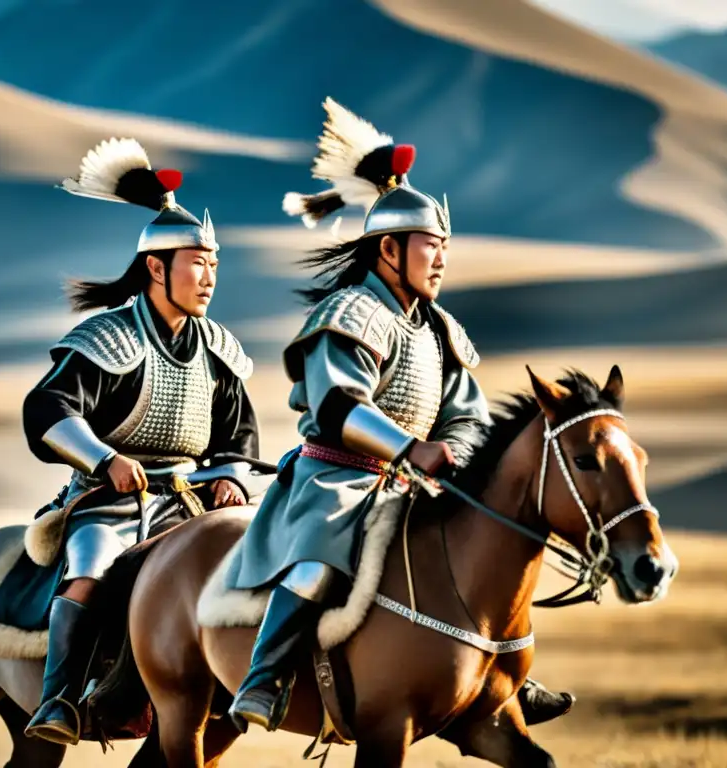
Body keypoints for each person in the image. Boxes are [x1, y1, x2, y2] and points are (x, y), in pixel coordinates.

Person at [224, 98, 574, 733]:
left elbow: (467, 417)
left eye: (444, 247)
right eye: (428, 246)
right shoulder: (349, 315)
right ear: (389, 249)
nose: (440, 259)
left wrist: (458, 459)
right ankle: (265, 676)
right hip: (337, 480)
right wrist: (410, 448)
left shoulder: (441, 331)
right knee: (317, 564)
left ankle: (504, 678)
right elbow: (337, 407)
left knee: (482, 554)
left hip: (414, 486)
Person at [21, 136, 259, 745]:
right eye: (195, 263)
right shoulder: (107, 338)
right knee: (92, 570)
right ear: (156, 268)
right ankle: (60, 700)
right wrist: (105, 459)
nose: (208, 277)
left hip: (190, 503)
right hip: (108, 500)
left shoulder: (218, 348)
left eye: (213, 264)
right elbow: (46, 408)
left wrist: (230, 474)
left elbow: (238, 432)